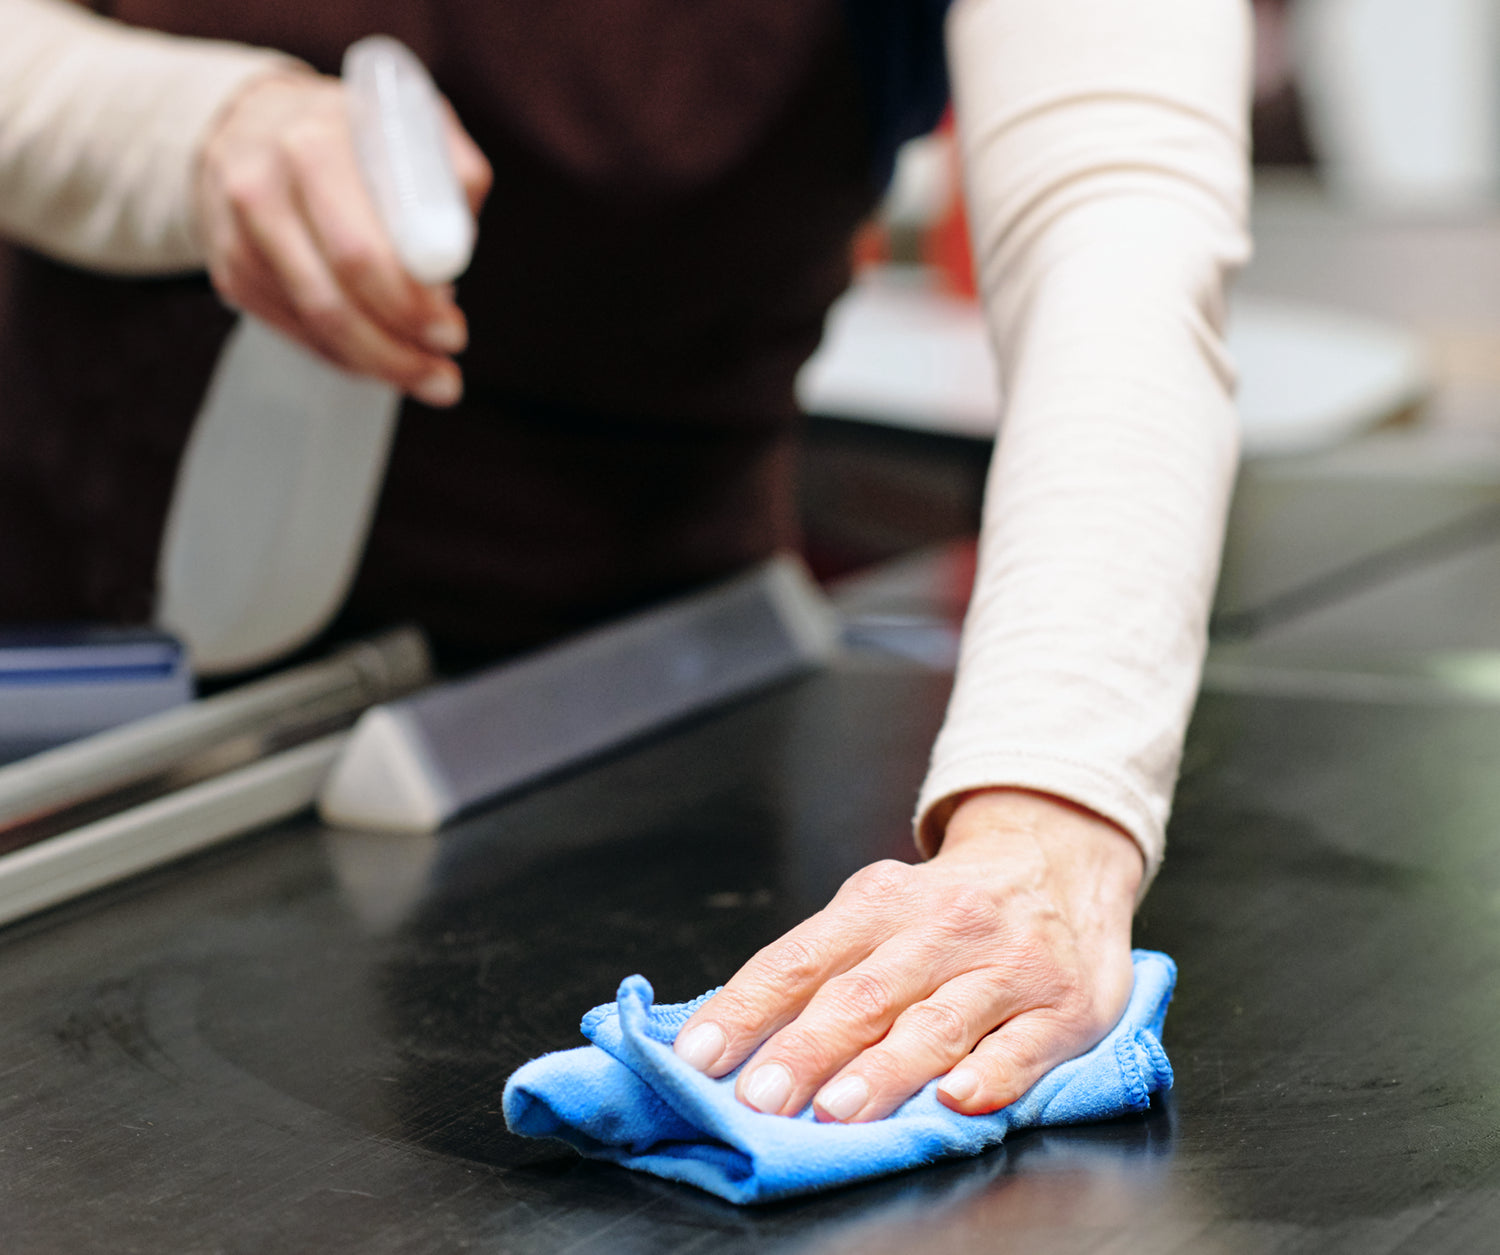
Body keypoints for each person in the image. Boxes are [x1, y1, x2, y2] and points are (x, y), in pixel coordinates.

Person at [0, 0, 1251, 1124]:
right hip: (67, 674)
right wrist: (192, 123)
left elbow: (1119, 223)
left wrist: (1047, 825)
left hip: (619, 742)